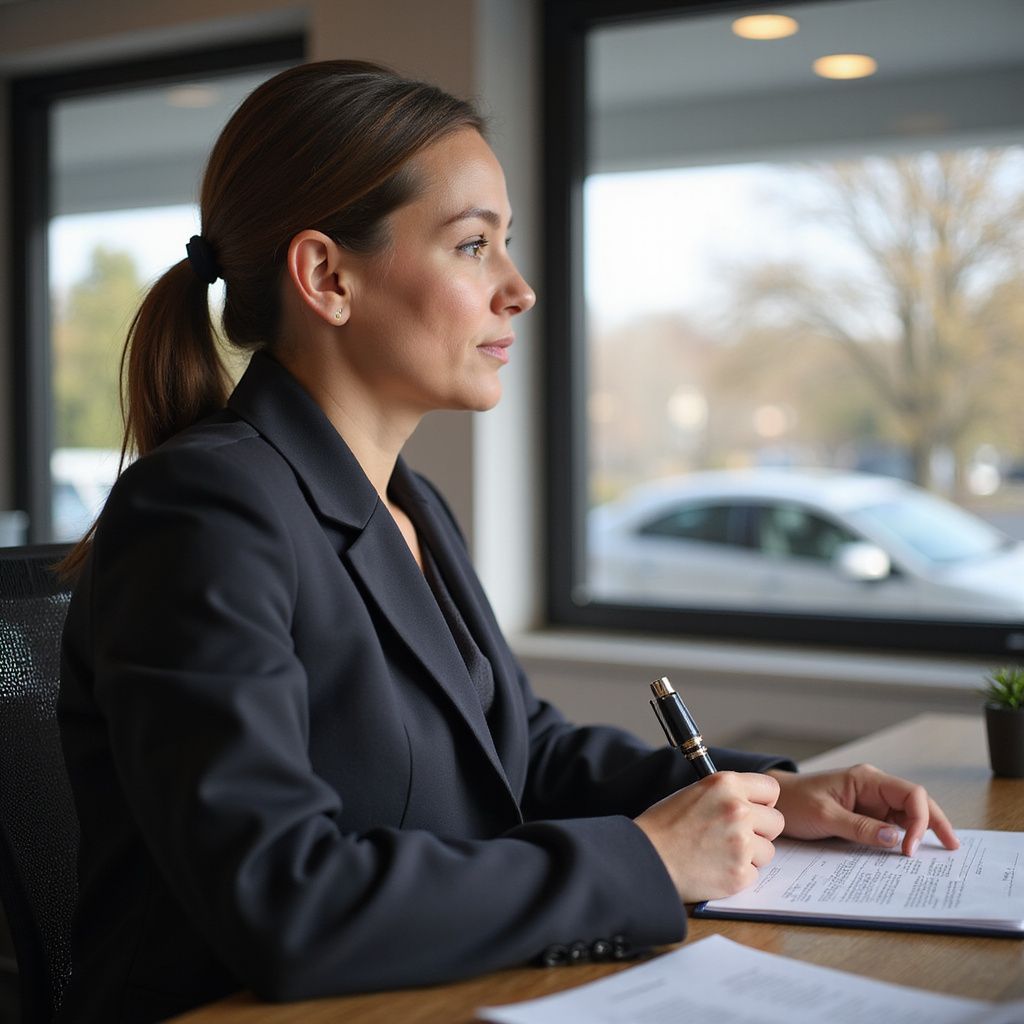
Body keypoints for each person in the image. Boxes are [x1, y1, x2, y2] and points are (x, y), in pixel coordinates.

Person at [56, 60, 958, 1023]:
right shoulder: (201, 511)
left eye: (508, 245)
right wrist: (650, 860)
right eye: (474, 245)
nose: (519, 290)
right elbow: (286, 896)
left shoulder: (413, 506)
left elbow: (520, 754)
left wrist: (766, 796)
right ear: (327, 276)